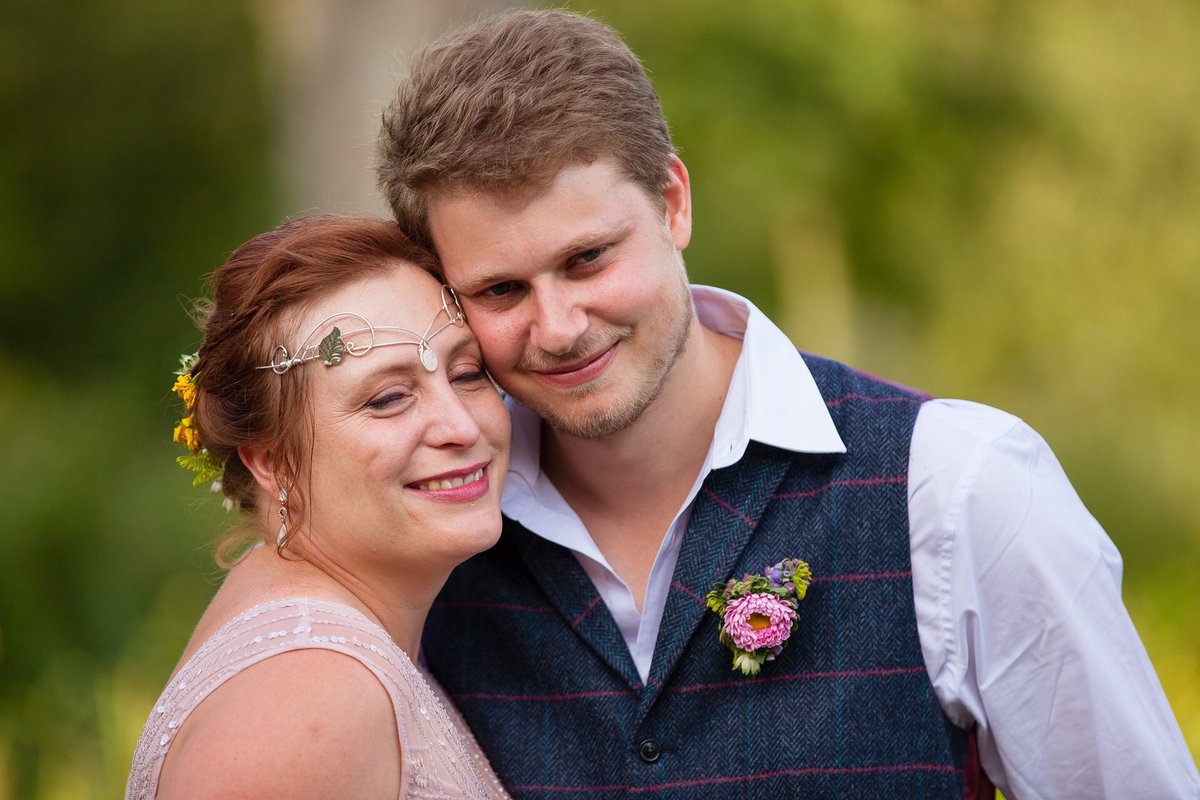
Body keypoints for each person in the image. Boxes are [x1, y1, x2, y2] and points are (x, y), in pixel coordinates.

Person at [376, 10, 1200, 799]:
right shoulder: (428, 541)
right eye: (500, 289)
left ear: (673, 203)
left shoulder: (956, 488)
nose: (556, 328)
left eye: (588, 259)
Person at [126, 215, 512, 799]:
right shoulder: (307, 697)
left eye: (467, 373)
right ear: (271, 461)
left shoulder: (340, 653)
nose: (460, 426)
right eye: (387, 399)